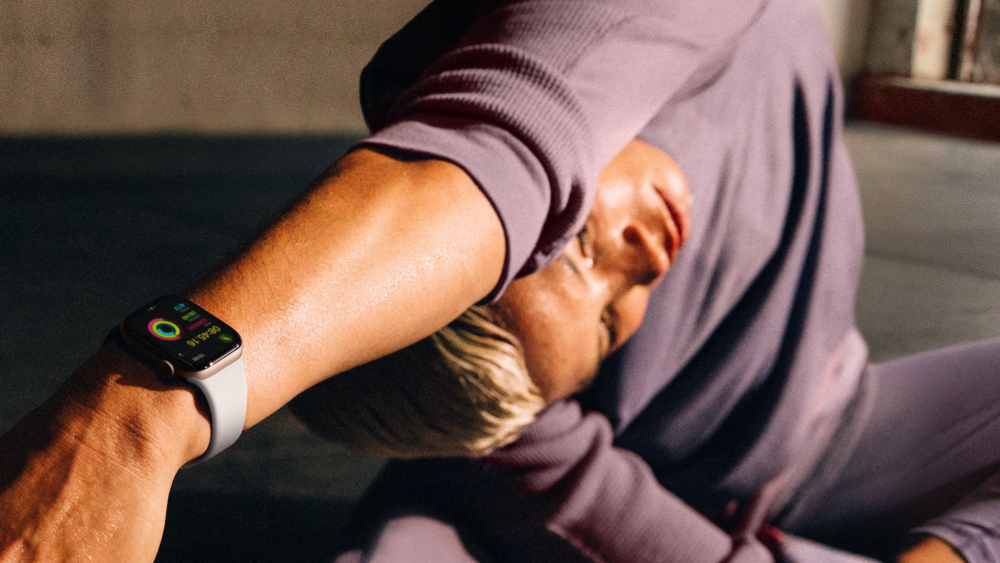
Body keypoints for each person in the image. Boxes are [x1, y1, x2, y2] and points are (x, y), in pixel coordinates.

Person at [0, 1, 997, 563]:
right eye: (611, 323)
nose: (644, 263)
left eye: (571, 249)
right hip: (580, 482)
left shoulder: (506, 60)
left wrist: (129, 417)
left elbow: (499, 137)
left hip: (839, 426)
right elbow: (553, 465)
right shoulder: (494, 390)